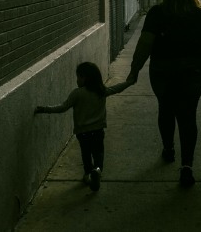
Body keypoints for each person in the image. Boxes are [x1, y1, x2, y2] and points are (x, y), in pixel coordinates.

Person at [126, 0, 201, 187]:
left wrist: (134, 71)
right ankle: (187, 166)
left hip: (162, 71)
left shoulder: (157, 13)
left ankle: (168, 149)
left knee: (165, 110)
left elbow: (145, 44)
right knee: (188, 116)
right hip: (191, 72)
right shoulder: (200, 15)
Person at [35, 61, 130, 192]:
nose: (77, 80)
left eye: (79, 76)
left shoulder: (77, 93)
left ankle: (88, 174)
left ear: (85, 78)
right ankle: (97, 170)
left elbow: (62, 107)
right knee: (98, 153)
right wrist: (129, 82)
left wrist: (44, 109)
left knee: (86, 155)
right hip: (98, 131)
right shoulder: (101, 91)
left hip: (83, 133)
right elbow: (117, 88)